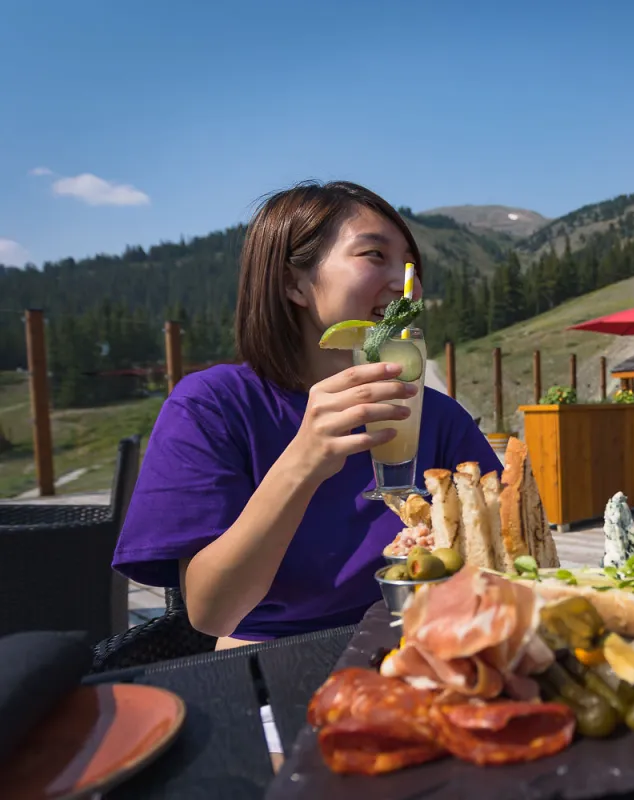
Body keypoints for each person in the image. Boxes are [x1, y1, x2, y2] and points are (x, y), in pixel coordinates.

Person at [112, 180, 502, 648]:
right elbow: (211, 612)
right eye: (374, 255)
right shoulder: (212, 406)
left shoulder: (434, 416)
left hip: (418, 651)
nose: (408, 284)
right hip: (272, 664)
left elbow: (502, 553)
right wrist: (304, 460)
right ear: (292, 283)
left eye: (412, 267)